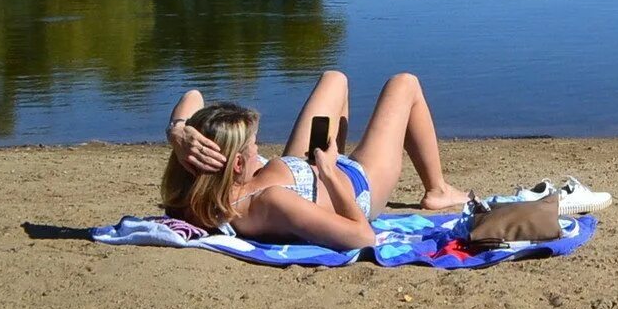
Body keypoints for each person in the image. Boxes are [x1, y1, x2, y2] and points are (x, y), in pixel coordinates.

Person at [162, 71, 467, 248]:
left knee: (334, 79)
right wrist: (330, 173)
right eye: (254, 145)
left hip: (303, 168)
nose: (259, 147)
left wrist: (178, 132)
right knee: (404, 84)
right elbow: (362, 237)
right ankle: (437, 189)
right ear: (238, 165)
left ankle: (328, 164)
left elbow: (193, 95)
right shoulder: (271, 201)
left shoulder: (197, 188)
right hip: (357, 185)